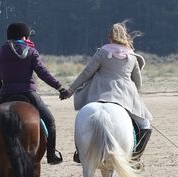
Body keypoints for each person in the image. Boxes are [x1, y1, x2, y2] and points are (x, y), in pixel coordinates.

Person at [60, 21, 153, 163]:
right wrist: (135, 96)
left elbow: (86, 74)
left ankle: (80, 152)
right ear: (125, 38)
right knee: (145, 124)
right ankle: (135, 158)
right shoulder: (132, 57)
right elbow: (138, 83)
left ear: (110, 37)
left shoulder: (102, 52)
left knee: (83, 120)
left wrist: (70, 90)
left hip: (99, 94)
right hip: (125, 97)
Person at [0, 22, 66, 165]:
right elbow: (43, 73)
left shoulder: (1, 53)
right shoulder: (31, 52)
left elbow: (0, 74)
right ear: (24, 36)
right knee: (50, 122)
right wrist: (59, 87)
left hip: (6, 93)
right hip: (28, 93)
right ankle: (51, 154)